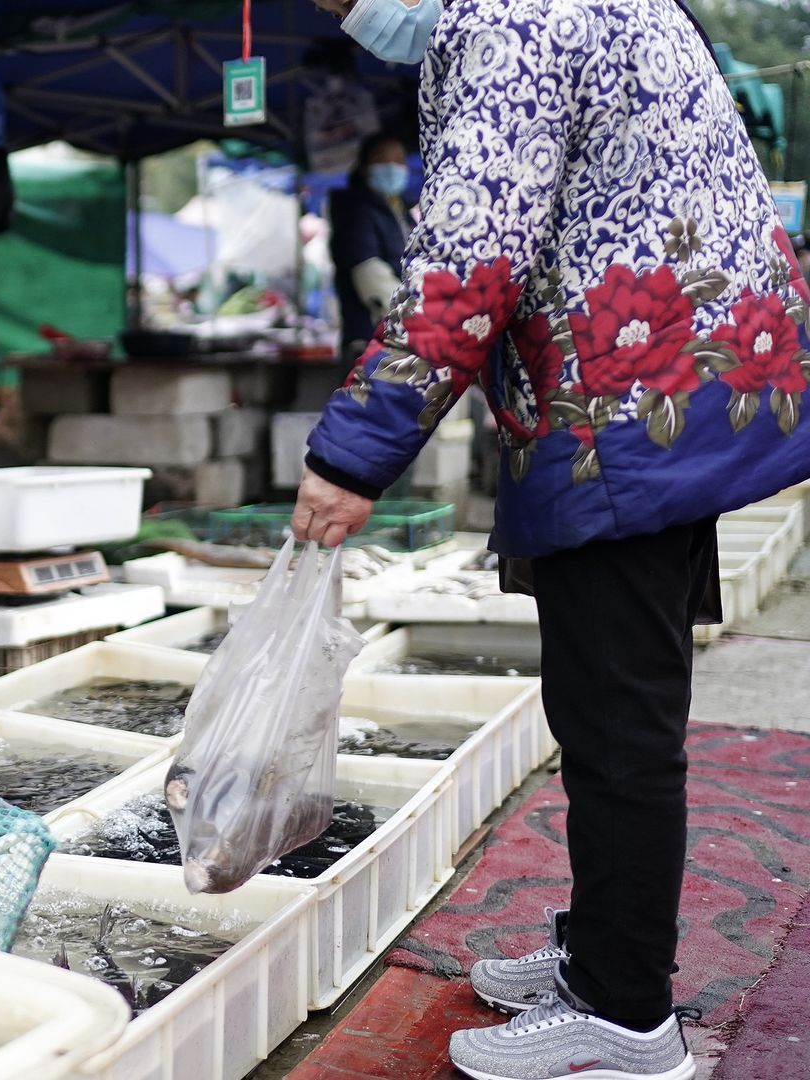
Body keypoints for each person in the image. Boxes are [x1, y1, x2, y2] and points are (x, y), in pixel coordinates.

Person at [295, 1, 810, 1079]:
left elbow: (469, 256)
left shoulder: (509, 21)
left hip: (625, 404)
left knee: (619, 713)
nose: (344, 17)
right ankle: (596, 950)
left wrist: (354, 452)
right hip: (677, 377)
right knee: (603, 696)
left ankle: (626, 1016)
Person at [327, 132, 411, 359]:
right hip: (371, 339)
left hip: (396, 336)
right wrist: (415, 319)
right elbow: (370, 276)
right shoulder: (357, 211)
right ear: (364, 167)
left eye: (399, 160)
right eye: (382, 159)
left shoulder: (398, 211)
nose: (392, 166)